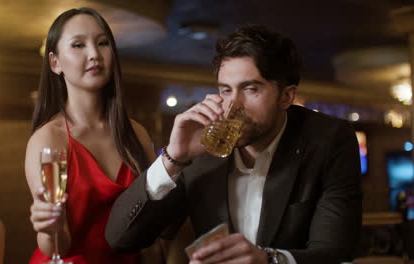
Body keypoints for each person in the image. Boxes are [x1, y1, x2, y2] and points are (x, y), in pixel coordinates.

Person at [106, 24, 362, 264]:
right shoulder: (201, 150)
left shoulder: (328, 140)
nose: (233, 106)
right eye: (226, 90)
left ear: (286, 96)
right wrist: (173, 158)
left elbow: (336, 253)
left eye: (251, 89)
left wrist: (268, 259)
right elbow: (122, 238)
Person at [25, 7, 156, 264]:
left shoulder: (136, 133)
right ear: (55, 63)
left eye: (103, 43)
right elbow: (58, 249)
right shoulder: (49, 140)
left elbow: (157, 221)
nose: (95, 54)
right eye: (78, 45)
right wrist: (49, 225)